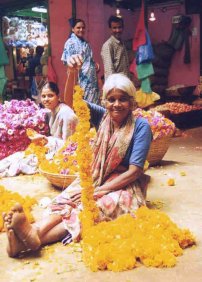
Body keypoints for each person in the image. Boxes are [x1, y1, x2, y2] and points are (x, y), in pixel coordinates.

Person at [3, 69, 152, 257]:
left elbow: (134, 172)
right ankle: (29, 235)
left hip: (125, 185)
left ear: (132, 101)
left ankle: (33, 235)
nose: (116, 104)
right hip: (98, 177)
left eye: (122, 99)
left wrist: (99, 191)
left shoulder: (141, 127)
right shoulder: (103, 117)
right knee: (69, 199)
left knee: (91, 207)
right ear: (104, 101)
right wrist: (72, 72)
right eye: (111, 99)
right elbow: (71, 101)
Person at [61, 18, 100, 104]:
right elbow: (67, 62)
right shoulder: (70, 43)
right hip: (81, 81)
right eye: (78, 28)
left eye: (83, 27)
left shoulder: (85, 43)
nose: (81, 30)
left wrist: (94, 65)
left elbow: (88, 59)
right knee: (83, 108)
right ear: (72, 29)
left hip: (91, 80)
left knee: (93, 108)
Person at [101, 15, 130, 80]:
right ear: (110, 29)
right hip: (116, 85)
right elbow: (109, 70)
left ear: (123, 28)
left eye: (120, 27)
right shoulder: (108, 45)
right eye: (114, 28)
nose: (117, 30)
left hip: (124, 82)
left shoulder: (122, 43)